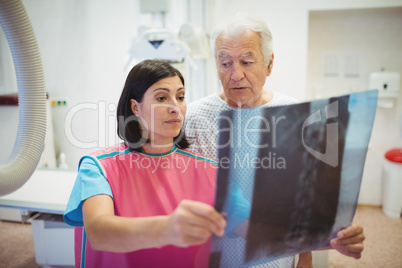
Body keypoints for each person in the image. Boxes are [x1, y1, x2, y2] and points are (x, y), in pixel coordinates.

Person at [184, 14, 365, 267]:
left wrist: (309, 256)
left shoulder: (295, 115)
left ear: (269, 64)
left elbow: (305, 204)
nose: (236, 74)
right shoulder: (194, 117)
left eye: (247, 62)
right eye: (225, 63)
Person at [63, 59, 227, 268]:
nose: (175, 107)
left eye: (180, 97)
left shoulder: (209, 169)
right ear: (135, 107)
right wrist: (167, 229)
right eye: (161, 97)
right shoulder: (99, 168)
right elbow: (99, 233)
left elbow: (254, 224)